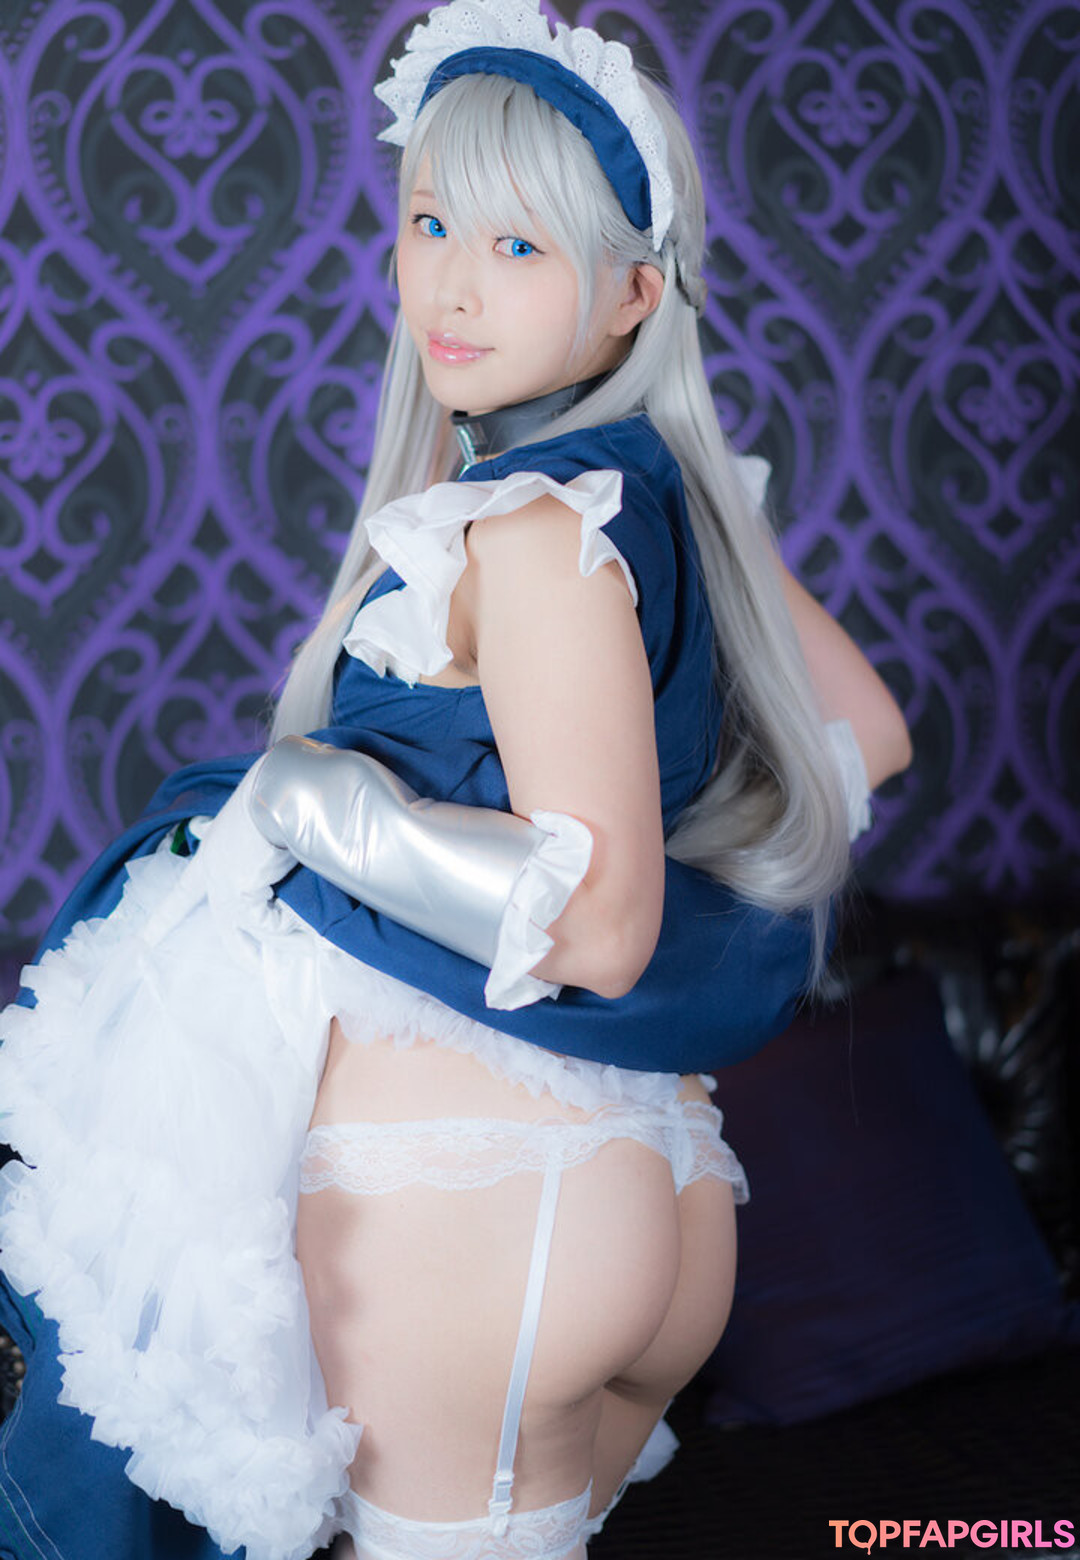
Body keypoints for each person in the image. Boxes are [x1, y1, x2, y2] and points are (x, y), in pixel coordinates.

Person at [0, 2, 911, 1557]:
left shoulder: (532, 530)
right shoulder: (635, 503)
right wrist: (708, 497)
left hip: (482, 1191)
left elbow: (602, 927)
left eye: (519, 245)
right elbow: (869, 737)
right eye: (430, 222)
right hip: (634, 1169)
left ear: (633, 294)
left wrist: (316, 807)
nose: (452, 285)